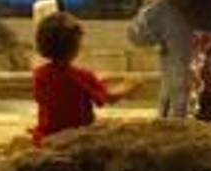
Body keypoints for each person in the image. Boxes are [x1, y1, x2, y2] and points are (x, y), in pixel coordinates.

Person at [31, 11, 134, 145]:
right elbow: (108, 98)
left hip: (47, 134)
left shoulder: (40, 74)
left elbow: (66, 90)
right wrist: (130, 86)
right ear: (76, 47)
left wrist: (99, 82)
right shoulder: (82, 76)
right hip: (77, 136)